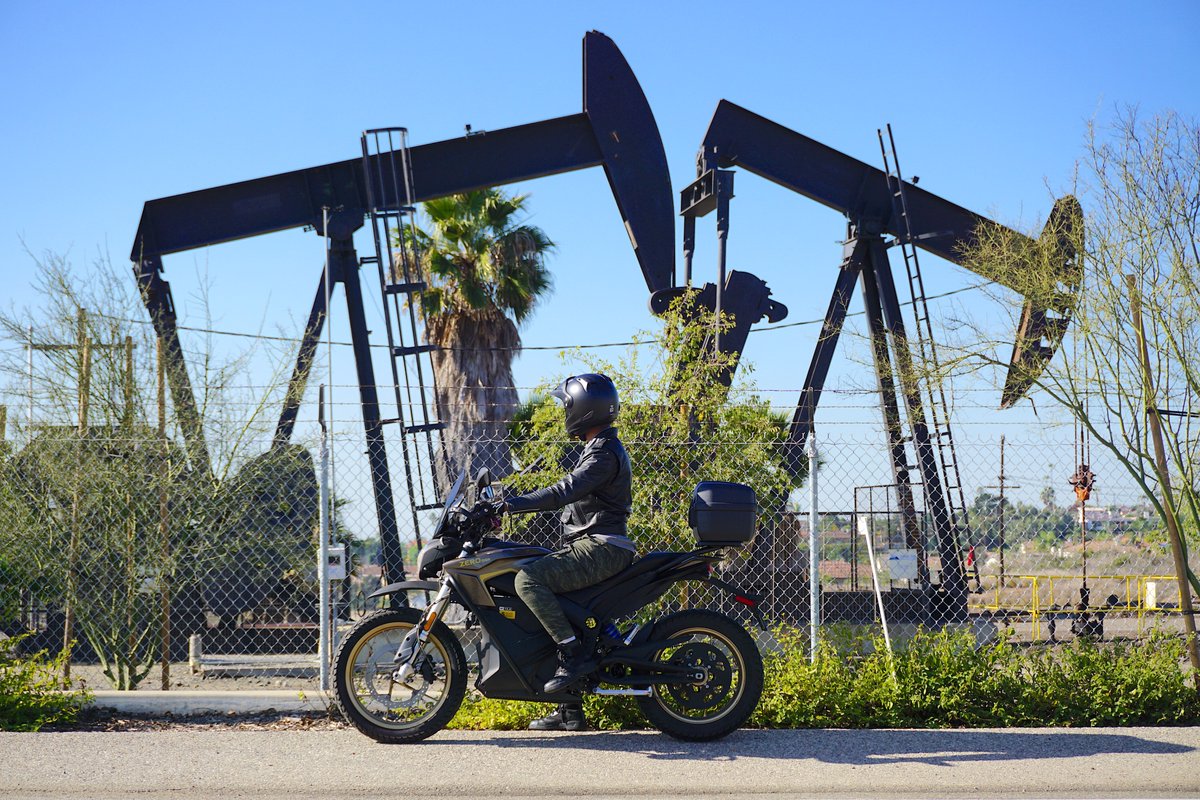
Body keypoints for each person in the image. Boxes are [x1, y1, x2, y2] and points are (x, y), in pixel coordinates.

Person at [499, 373, 636, 732]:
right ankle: (569, 710)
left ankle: (573, 656)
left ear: (583, 411)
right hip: (591, 546)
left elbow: (564, 491)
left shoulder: (603, 454)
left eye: (566, 405)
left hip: (603, 548)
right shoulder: (598, 448)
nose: (563, 412)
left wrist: (509, 505)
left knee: (528, 581)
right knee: (549, 607)